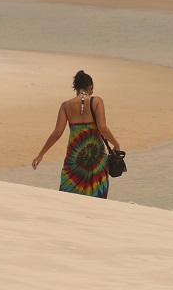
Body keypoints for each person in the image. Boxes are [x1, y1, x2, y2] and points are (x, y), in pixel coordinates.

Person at [32, 70, 121, 199]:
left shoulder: (66, 106)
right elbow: (103, 128)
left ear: (76, 88)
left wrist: (41, 154)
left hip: (74, 159)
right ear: (90, 87)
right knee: (97, 199)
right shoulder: (97, 101)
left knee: (69, 197)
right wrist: (116, 144)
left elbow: (57, 133)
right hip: (96, 159)